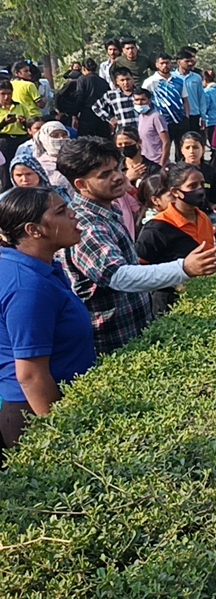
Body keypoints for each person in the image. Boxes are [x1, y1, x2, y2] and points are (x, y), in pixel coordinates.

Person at [58, 137, 216, 356]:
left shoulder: (109, 211)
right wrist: (184, 268)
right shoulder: (87, 225)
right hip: (113, 343)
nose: (118, 177)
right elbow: (118, 276)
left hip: (135, 329)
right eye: (105, 175)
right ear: (81, 185)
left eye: (116, 169)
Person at [0, 187, 95, 452]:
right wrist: (60, 434)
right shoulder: (27, 287)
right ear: (34, 230)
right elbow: (31, 375)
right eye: (61, 211)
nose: (74, 215)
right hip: (36, 414)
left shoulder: (38, 267)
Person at [135, 163, 215, 315]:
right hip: (170, 305)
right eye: (192, 186)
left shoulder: (203, 218)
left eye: (202, 184)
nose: (200, 190)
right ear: (175, 192)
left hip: (204, 298)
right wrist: (174, 279)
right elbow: (139, 271)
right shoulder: (157, 228)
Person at [174, 49, 205, 152]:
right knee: (180, 144)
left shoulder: (196, 78)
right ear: (179, 62)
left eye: (191, 61)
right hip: (178, 116)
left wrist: (203, 117)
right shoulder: (172, 77)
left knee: (195, 142)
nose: (190, 64)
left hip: (194, 115)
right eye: (187, 61)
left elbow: (201, 98)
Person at [132, 88, 171, 167]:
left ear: (149, 101)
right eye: (137, 100)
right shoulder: (141, 117)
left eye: (143, 99)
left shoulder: (156, 117)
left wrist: (162, 164)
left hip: (157, 162)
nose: (139, 103)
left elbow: (166, 142)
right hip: (146, 162)